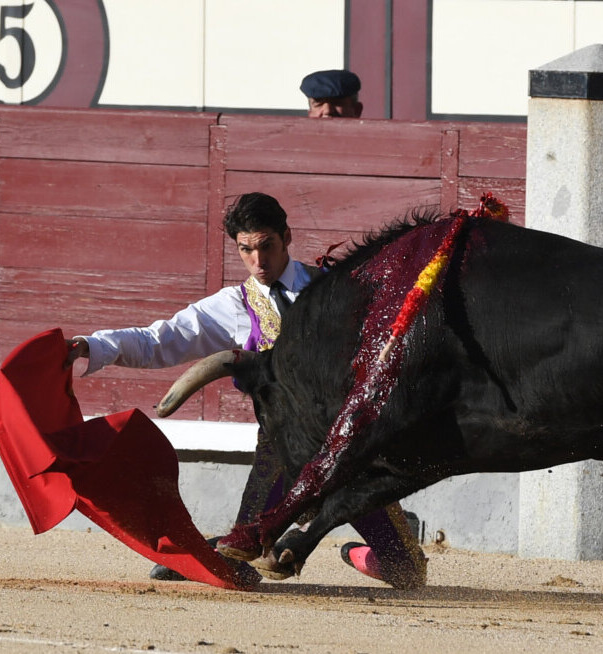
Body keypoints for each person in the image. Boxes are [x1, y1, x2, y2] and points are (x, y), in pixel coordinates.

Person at [66, 192, 428, 589]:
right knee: (244, 548)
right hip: (281, 448)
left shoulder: (335, 288)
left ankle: (355, 551)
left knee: (408, 572)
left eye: (267, 246)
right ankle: (206, 556)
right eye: (246, 250)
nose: (259, 262)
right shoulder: (234, 306)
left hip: (348, 451)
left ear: (286, 237)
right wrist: (93, 345)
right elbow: (162, 339)